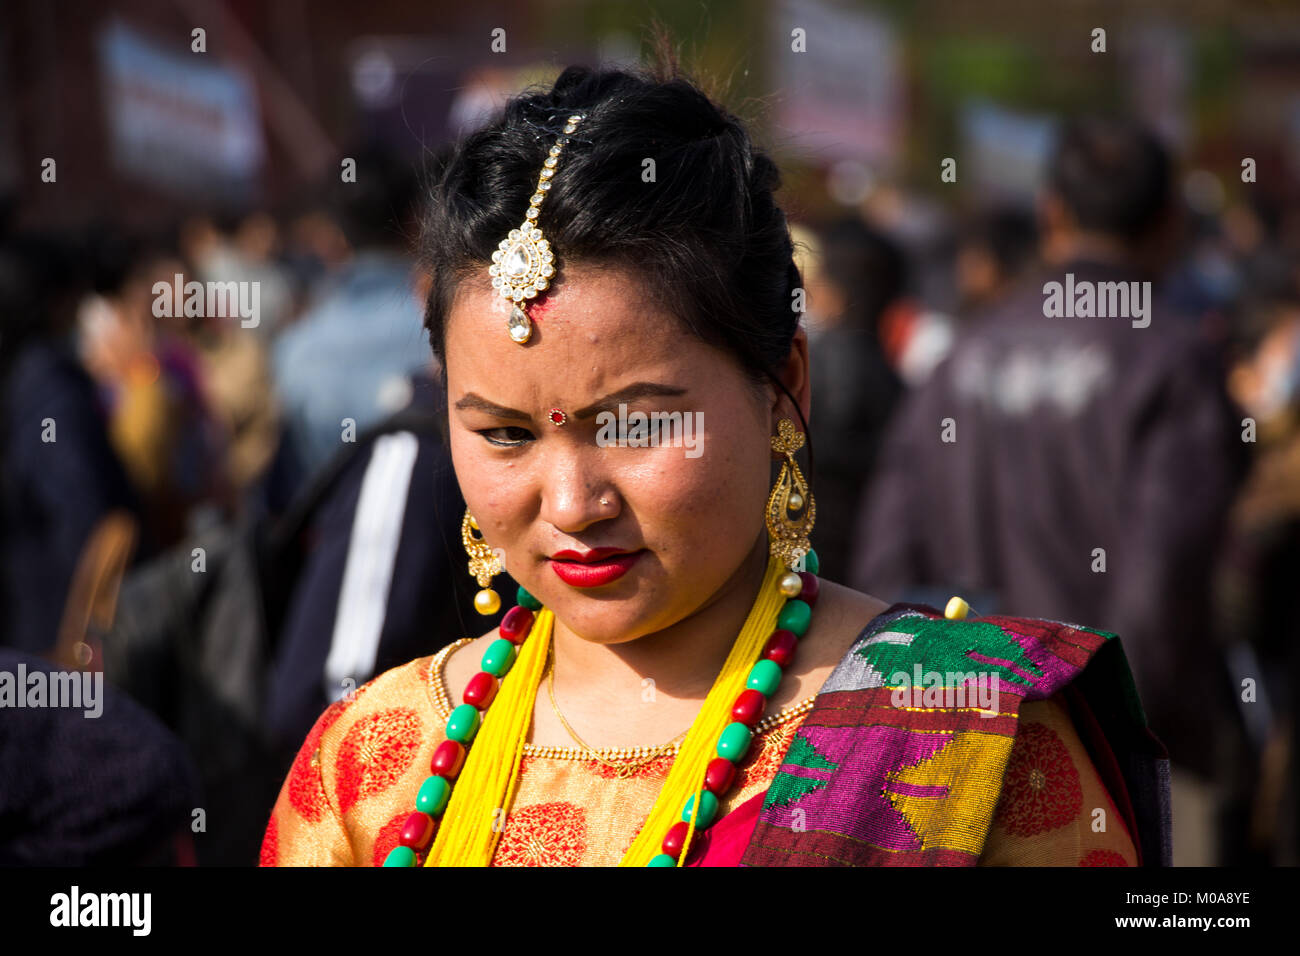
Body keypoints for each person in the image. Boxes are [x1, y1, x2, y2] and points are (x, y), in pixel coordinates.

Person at [261, 58, 1169, 868]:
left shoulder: (962, 730)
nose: (573, 503)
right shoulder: (374, 760)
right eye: (506, 435)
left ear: (784, 386)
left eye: (638, 427)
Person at [850, 116, 1247, 864]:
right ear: (1169, 224)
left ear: (1051, 214)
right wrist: (1105, 745)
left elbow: (884, 572)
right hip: (1136, 767)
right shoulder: (1176, 362)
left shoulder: (962, 355)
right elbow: (1162, 600)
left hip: (961, 766)